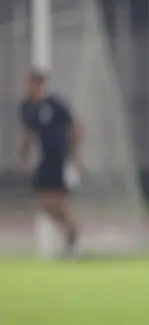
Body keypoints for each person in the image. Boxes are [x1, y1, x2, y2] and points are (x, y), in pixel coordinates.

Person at [16, 70, 82, 257]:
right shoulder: (26, 107)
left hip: (59, 157)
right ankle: (71, 229)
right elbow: (27, 134)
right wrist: (23, 159)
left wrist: (75, 156)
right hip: (44, 159)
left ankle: (71, 236)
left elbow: (76, 128)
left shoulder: (55, 104)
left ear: (39, 84)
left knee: (58, 200)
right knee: (42, 201)